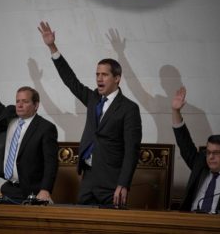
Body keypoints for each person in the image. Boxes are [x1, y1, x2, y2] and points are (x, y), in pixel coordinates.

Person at [38, 21, 142, 207]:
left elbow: (131, 151)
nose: (99, 78)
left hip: (112, 183)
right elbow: (71, 80)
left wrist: (123, 184)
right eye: (97, 74)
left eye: (104, 75)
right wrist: (52, 47)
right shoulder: (93, 98)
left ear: (117, 78)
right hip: (88, 179)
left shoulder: (129, 108)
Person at [0, 51, 58, 204]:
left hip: (32, 193)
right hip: (9, 189)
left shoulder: (45, 128)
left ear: (36, 105)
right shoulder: (10, 117)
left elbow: (51, 163)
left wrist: (45, 190)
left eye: (25, 101)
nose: (19, 105)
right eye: (17, 101)